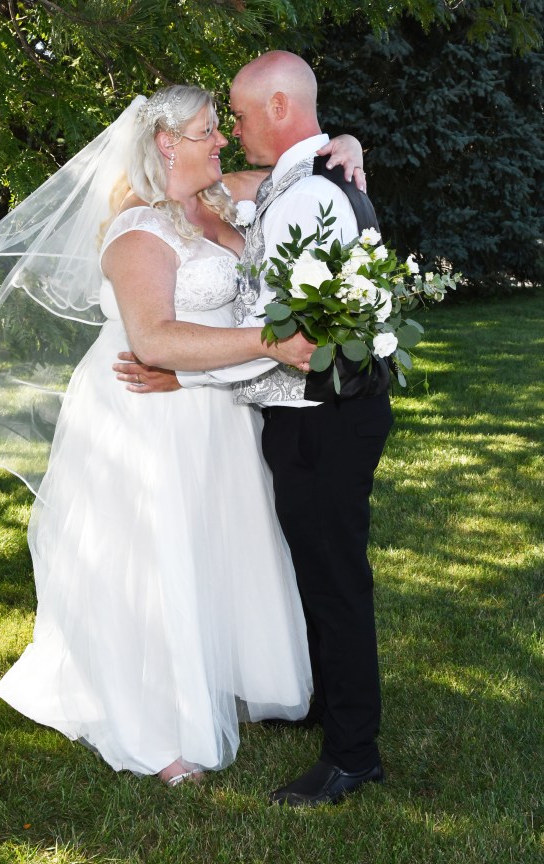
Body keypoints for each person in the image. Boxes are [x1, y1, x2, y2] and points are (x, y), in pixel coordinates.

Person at [0, 85, 361, 787]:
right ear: (166, 143)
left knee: (213, 548)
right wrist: (271, 341)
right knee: (153, 560)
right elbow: (154, 338)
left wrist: (346, 147)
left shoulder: (218, 197)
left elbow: (303, 160)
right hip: (146, 415)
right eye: (205, 130)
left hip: (211, 410)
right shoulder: (139, 231)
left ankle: (210, 675)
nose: (221, 139)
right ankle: (151, 726)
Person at [116, 52, 393, 806]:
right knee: (314, 571)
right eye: (215, 125)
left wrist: (188, 376)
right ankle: (328, 709)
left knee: (333, 583)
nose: (230, 135)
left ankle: (352, 754)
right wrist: (348, 146)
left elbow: (294, 342)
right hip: (325, 409)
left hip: (321, 416)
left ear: (276, 108)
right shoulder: (298, 183)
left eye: (233, 118)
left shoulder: (304, 196)